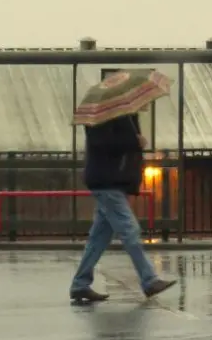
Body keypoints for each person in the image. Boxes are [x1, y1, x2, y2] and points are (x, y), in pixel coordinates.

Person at [70, 113, 177, 302]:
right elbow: (101, 143)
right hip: (107, 182)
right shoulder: (101, 115)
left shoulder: (122, 114)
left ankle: (80, 284)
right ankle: (149, 280)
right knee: (130, 230)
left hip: (111, 182)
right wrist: (133, 141)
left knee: (98, 239)